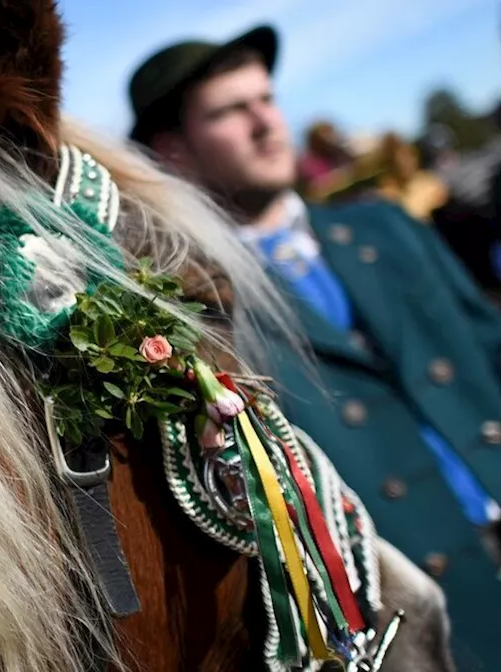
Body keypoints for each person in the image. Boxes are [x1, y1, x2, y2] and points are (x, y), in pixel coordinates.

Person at [126, 24, 501, 671]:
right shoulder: (195, 313)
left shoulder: (380, 223)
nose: (266, 123)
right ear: (172, 151)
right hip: (425, 609)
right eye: (230, 111)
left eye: (265, 99)